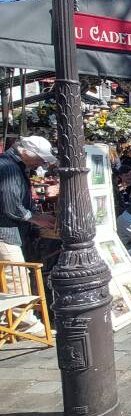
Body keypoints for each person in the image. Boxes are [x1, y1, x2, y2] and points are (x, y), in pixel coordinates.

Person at [0, 135, 57, 336]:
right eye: (39, 158)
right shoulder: (7, 167)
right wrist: (36, 219)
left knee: (12, 277)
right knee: (16, 278)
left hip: (10, 232)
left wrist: (37, 216)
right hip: (5, 234)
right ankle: (26, 325)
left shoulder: (15, 166)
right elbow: (11, 206)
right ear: (26, 152)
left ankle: (10, 322)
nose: (41, 163)